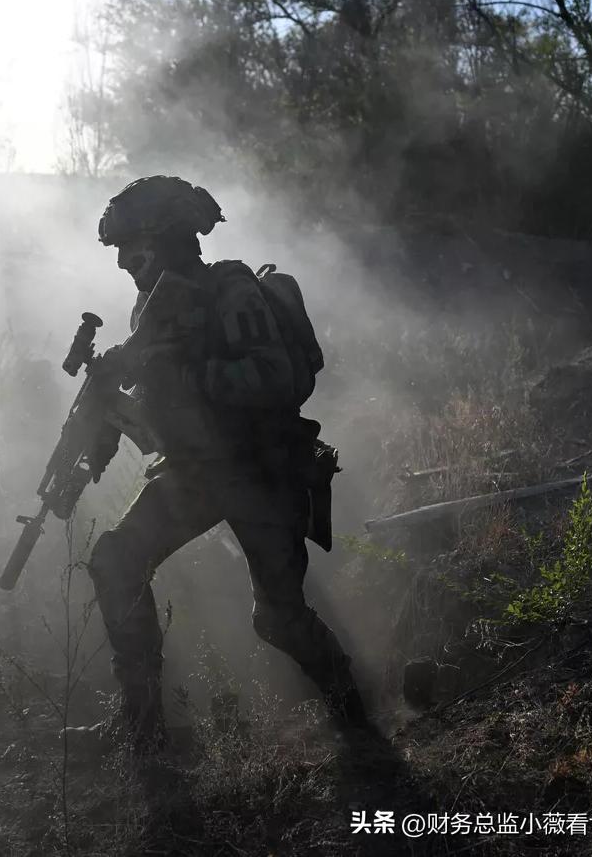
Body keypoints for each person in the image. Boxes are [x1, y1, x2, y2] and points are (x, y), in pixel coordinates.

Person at [63, 175, 373, 750]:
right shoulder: (151, 311)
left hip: (262, 469)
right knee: (116, 560)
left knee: (277, 618)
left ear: (169, 237)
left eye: (134, 246)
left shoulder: (230, 291)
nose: (125, 262)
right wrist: (107, 416)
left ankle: (356, 715)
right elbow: (154, 396)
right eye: (120, 250)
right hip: (195, 473)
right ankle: (143, 730)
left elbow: (276, 378)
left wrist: (186, 380)